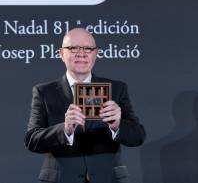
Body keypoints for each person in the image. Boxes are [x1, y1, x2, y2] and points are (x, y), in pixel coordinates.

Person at [24, 28, 146, 183]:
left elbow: (138, 136)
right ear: (61, 54)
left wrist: (117, 125)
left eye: (88, 48)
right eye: (73, 48)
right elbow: (32, 140)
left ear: (95, 53)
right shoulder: (44, 92)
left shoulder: (116, 89)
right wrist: (65, 130)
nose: (81, 54)